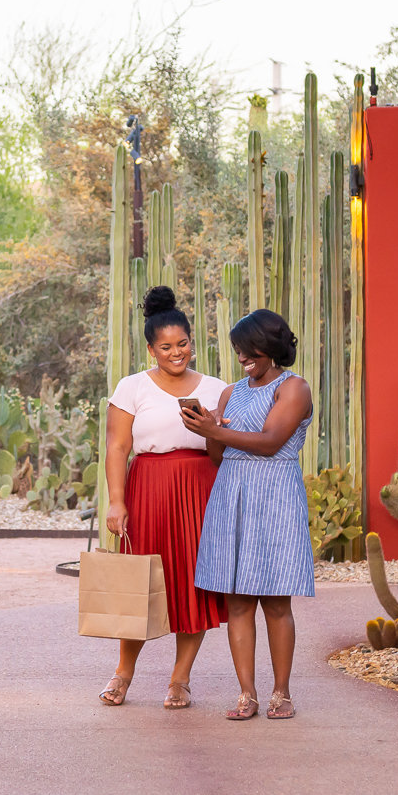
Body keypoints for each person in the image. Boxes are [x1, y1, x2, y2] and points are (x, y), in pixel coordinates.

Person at [183, 308, 318, 721]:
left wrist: (213, 430)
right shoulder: (231, 392)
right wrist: (208, 428)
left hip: (275, 496)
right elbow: (219, 454)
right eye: (238, 351)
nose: (243, 357)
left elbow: (271, 442)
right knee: (237, 602)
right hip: (232, 496)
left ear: (271, 346)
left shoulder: (293, 388)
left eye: (249, 349)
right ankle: (248, 694)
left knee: (276, 602)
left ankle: (282, 692)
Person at [99, 287, 229, 709]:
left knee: (195, 584)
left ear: (193, 341)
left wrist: (213, 427)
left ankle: (180, 678)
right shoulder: (131, 387)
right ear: (152, 349)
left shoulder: (217, 388)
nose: (177, 354)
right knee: (141, 583)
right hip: (149, 488)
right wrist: (117, 502)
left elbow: (223, 450)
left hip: (201, 490)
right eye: (166, 347)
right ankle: (123, 673)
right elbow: (117, 448)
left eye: (184, 344)